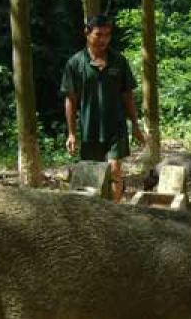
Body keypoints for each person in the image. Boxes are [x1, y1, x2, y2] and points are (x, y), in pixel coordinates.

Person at [61, 14, 146, 202]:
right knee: (92, 176)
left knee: (115, 170)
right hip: (90, 129)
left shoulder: (119, 61)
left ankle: (115, 212)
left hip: (116, 128)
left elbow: (128, 95)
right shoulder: (75, 63)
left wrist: (136, 126)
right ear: (87, 33)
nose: (103, 40)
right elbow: (71, 99)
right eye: (99, 35)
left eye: (108, 35)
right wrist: (72, 133)